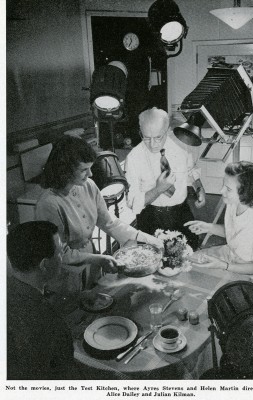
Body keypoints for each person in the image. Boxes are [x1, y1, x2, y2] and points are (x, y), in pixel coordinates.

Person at [36, 135, 162, 290]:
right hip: (65, 273)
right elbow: (59, 254)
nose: (90, 174)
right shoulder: (48, 203)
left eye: (90, 168)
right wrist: (98, 259)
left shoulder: (88, 185)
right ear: (65, 171)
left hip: (92, 264)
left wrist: (143, 237)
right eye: (84, 170)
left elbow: (108, 222)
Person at [185, 161, 253, 291]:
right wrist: (208, 227)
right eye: (224, 185)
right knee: (188, 261)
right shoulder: (234, 202)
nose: (221, 190)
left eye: (228, 189)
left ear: (245, 193)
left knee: (211, 292)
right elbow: (234, 233)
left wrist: (224, 266)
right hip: (231, 256)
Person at [7, 221, 80, 379]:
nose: (62, 257)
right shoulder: (50, 324)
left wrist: (79, 297)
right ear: (44, 265)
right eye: (61, 252)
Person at [124, 107, 206, 249]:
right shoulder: (133, 158)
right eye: (146, 138)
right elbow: (133, 203)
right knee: (154, 259)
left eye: (158, 137)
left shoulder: (181, 146)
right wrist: (158, 189)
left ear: (167, 131)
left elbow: (190, 170)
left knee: (188, 253)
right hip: (151, 217)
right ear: (140, 132)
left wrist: (199, 187)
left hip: (181, 213)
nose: (153, 144)